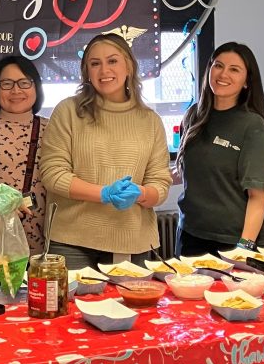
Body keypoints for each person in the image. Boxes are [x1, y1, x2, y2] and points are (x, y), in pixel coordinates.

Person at [38, 32, 173, 270]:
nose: (104, 71)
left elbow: (160, 184)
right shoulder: (68, 112)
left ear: (129, 66)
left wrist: (140, 193)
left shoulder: (150, 121)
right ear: (86, 72)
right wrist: (104, 194)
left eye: (112, 61)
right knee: (70, 307)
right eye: (95, 63)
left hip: (131, 242)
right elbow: (52, 174)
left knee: (130, 307)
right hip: (71, 241)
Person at [176, 42, 264, 256]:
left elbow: (258, 197)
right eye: (218, 65)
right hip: (192, 235)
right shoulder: (194, 115)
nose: (223, 74)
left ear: (247, 81)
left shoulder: (253, 126)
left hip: (236, 241)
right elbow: (191, 173)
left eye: (234, 69)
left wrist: (245, 247)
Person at [0, 55, 49, 254]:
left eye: (24, 83)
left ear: (36, 87)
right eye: (7, 83)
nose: (16, 91)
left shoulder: (53, 128)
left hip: (43, 238)